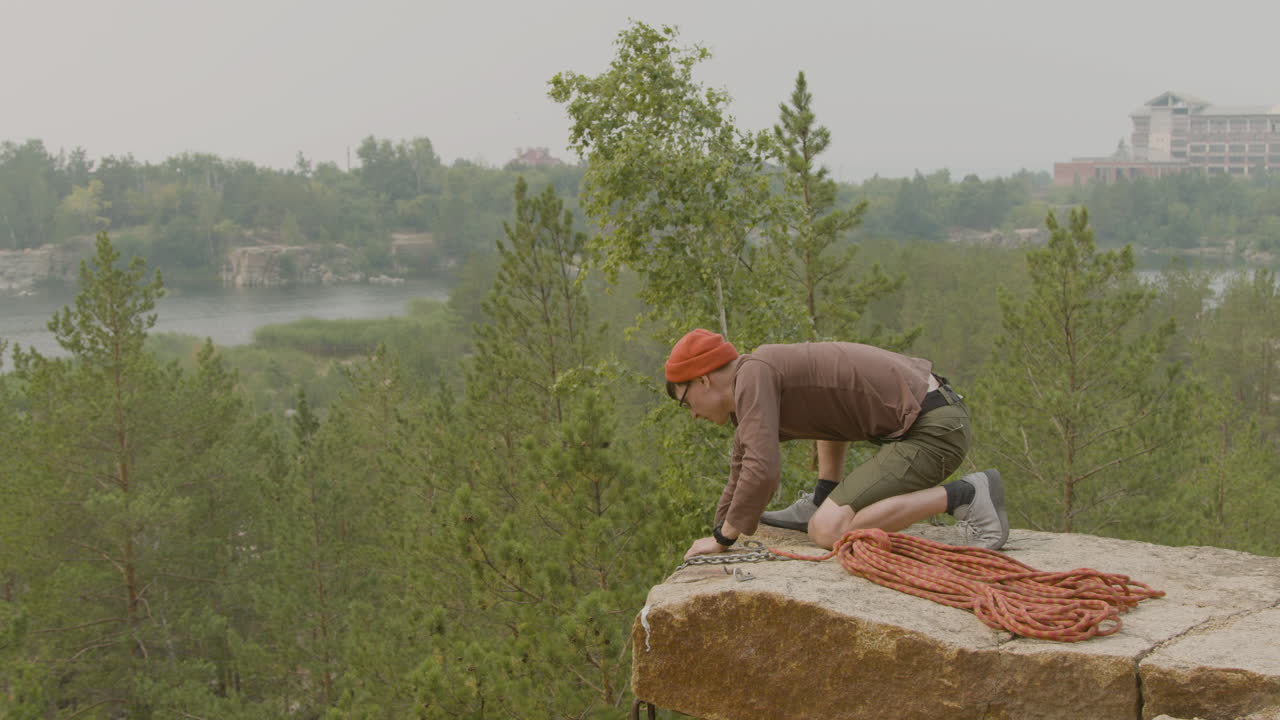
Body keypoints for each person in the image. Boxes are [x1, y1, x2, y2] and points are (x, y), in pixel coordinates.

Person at [664, 328, 1007, 561]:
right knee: (825, 504)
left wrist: (725, 537)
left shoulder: (754, 375)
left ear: (703, 380)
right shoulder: (755, 374)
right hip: (930, 420)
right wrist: (720, 532)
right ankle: (821, 498)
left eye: (685, 402)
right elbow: (741, 468)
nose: (692, 414)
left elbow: (762, 470)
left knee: (827, 530)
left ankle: (965, 495)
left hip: (935, 431)